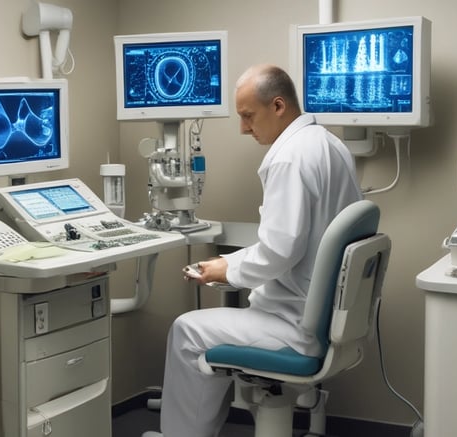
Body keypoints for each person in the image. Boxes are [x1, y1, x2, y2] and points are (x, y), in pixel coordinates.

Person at [143, 64, 362, 437]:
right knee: (206, 324)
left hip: (295, 325)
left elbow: (280, 249)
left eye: (247, 116)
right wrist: (227, 262)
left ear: (278, 106)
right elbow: (295, 242)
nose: (244, 128)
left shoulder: (288, 157)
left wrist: (223, 271)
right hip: (327, 319)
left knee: (186, 331)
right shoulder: (330, 145)